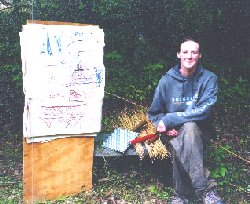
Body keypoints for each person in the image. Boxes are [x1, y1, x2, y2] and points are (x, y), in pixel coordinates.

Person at [148, 37, 224, 204]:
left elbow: (205, 111)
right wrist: (165, 127)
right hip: (172, 132)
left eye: (194, 52)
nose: (189, 56)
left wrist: (171, 118)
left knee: (189, 129)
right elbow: (154, 113)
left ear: (199, 55)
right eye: (185, 52)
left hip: (201, 131)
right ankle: (207, 191)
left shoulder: (209, 79)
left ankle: (182, 196)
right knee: (181, 137)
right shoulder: (166, 81)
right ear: (178, 54)